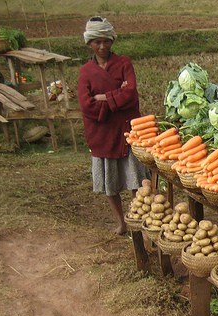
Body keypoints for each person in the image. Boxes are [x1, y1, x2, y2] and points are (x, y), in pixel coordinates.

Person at [77, 16, 149, 235]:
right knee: (110, 183)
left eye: (106, 41)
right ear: (89, 43)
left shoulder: (124, 63)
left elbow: (131, 94)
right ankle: (121, 222)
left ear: (111, 41)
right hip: (102, 133)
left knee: (136, 179)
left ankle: (143, 218)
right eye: (96, 42)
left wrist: (103, 98)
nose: (101, 46)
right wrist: (116, 97)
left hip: (127, 130)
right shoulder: (85, 72)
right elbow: (86, 105)